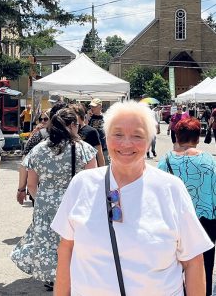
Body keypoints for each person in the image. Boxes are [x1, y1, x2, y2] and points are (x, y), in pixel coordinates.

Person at [51, 100, 213, 296]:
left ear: (149, 141)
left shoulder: (171, 188)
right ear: (106, 138)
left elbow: (193, 261)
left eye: (137, 135)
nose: (126, 143)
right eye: (117, 134)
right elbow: (66, 249)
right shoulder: (82, 184)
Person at [11, 108, 97, 291]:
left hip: (45, 205)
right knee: (74, 247)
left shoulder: (38, 150)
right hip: (75, 205)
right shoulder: (84, 149)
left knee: (50, 247)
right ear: (73, 125)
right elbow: (92, 184)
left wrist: (43, 200)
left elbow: (32, 185)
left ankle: (55, 281)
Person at [158, 117, 216, 296]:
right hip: (206, 223)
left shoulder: (164, 161)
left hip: (174, 222)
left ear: (176, 136)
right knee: (203, 268)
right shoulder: (210, 161)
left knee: (173, 267)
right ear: (197, 138)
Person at [17, 109, 51, 206]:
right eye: (41, 119)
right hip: (37, 181)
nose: (43, 122)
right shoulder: (37, 134)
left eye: (46, 119)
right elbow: (26, 158)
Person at [88, 98, 108, 163]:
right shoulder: (88, 117)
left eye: (94, 106)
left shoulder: (106, 117)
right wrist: (87, 117)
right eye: (91, 106)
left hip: (103, 148)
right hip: (90, 149)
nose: (92, 108)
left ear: (100, 107)